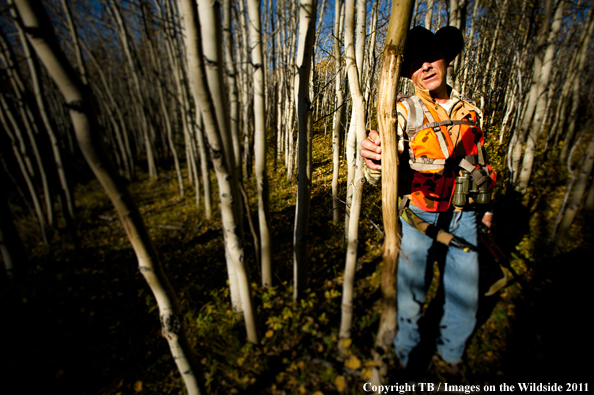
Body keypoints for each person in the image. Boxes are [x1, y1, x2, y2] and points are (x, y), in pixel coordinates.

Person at [361, 26, 496, 373]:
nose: (425, 67)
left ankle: (451, 357)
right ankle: (407, 358)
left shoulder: (471, 111)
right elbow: (379, 173)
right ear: (407, 72)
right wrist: (375, 160)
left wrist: (487, 209)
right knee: (411, 292)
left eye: (431, 57)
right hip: (418, 216)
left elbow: (480, 163)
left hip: (464, 213)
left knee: (465, 290)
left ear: (446, 59)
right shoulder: (400, 112)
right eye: (415, 62)